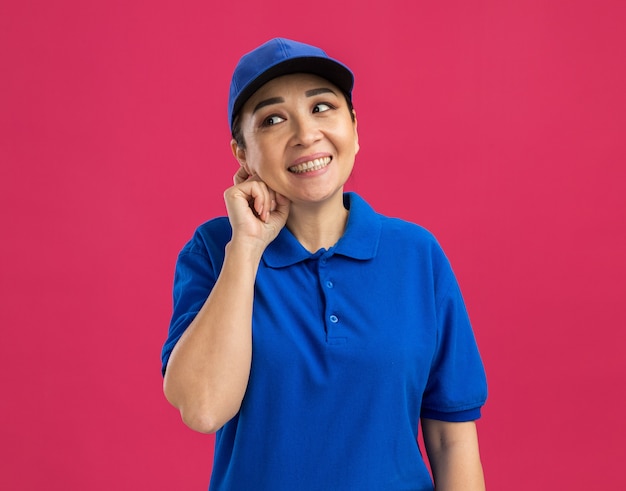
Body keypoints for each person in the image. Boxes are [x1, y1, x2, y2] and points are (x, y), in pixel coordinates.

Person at [161, 37, 487, 491]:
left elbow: (451, 440)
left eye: (322, 108)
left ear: (354, 126)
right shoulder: (216, 250)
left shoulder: (416, 255)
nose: (305, 134)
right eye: (273, 119)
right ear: (242, 153)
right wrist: (247, 249)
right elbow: (203, 408)